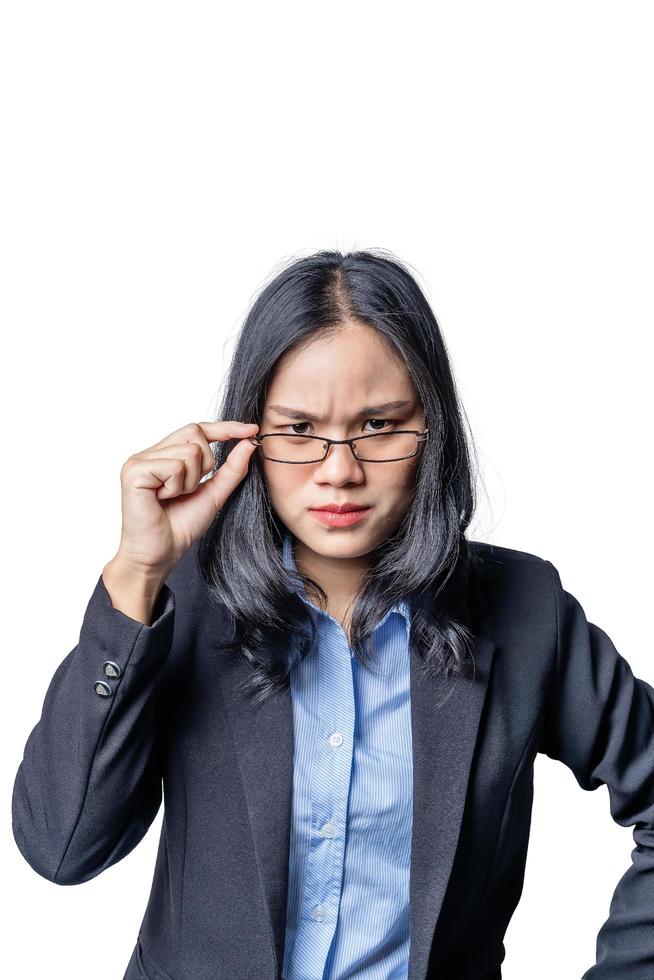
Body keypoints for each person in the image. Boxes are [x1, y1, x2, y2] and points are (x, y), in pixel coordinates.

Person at [11, 249, 654, 980]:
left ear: (431, 431)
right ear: (247, 435)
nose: (339, 468)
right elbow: (60, 848)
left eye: (378, 425)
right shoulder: (178, 600)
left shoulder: (527, 613)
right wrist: (136, 574)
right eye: (298, 429)